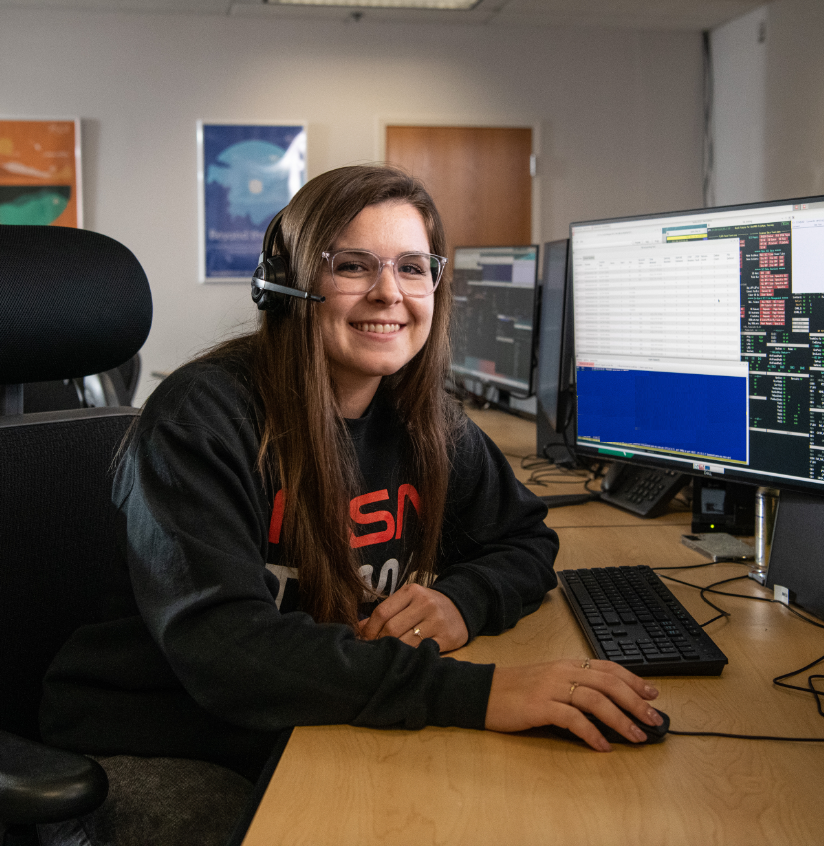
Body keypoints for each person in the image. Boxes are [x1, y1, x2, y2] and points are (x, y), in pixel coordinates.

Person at [38, 164, 662, 845]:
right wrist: (478, 694)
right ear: (288, 285)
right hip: (164, 732)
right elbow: (228, 653)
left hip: (310, 713)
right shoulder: (203, 420)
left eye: (413, 267)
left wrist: (464, 599)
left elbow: (524, 538)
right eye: (354, 266)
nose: (389, 293)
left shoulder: (425, 421)